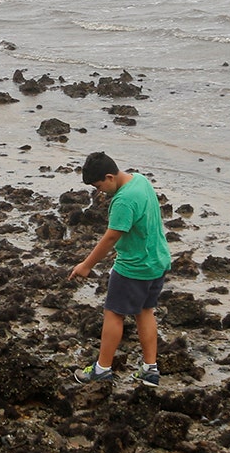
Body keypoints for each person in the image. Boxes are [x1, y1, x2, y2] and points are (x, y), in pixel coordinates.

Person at [67, 151, 171, 387]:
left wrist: (86, 265)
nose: (100, 191)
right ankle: (150, 369)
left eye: (99, 186)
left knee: (113, 313)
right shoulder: (140, 180)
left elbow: (112, 237)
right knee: (145, 311)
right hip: (157, 261)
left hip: (134, 267)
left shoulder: (123, 200)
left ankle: (102, 369)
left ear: (109, 177)